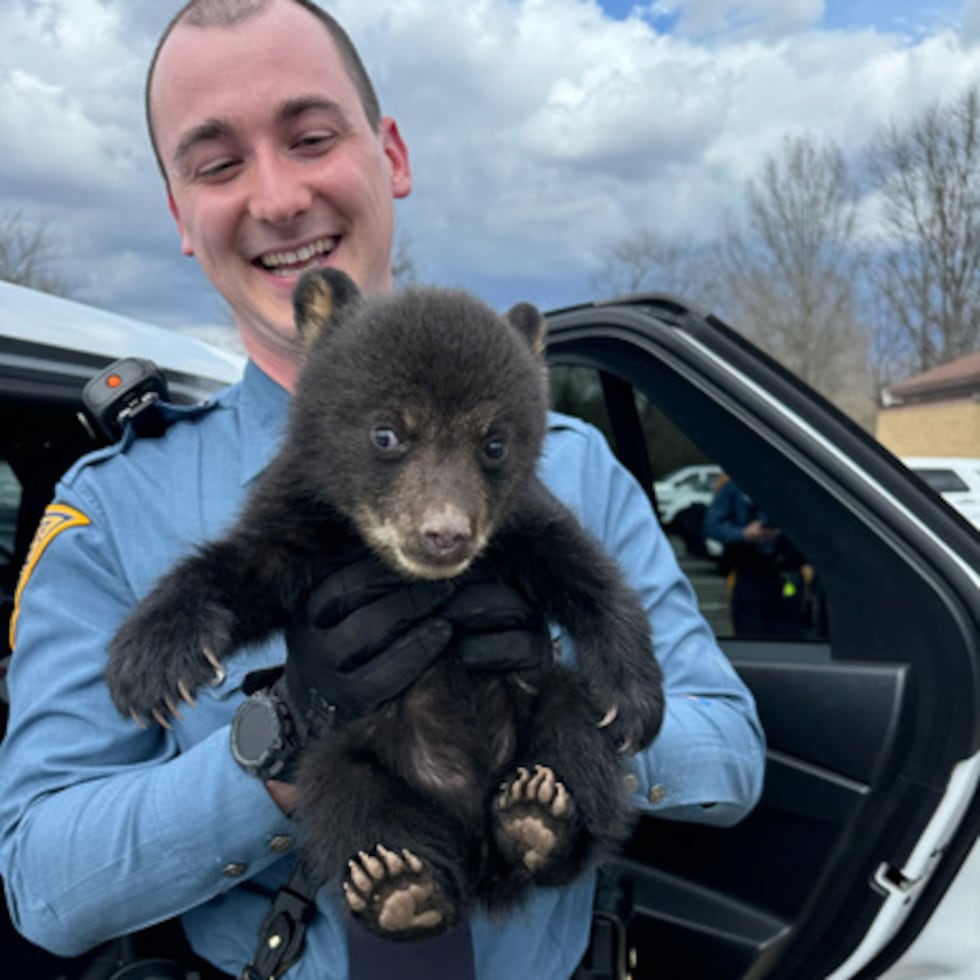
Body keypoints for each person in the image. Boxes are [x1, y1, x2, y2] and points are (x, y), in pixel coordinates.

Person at [0, 2, 766, 978]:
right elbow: (44, 884)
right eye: (218, 162)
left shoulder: (565, 469)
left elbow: (729, 753)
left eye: (310, 137)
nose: (277, 198)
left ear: (390, 153)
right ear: (178, 216)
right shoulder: (112, 509)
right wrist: (277, 744)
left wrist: (574, 707)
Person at [703, 476, 810, 638]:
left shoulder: (797, 486)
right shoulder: (735, 487)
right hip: (750, 574)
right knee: (751, 639)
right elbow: (711, 526)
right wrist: (744, 534)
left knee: (789, 640)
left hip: (788, 573)